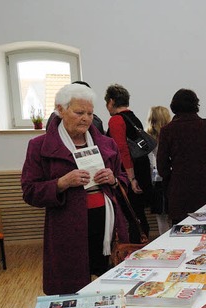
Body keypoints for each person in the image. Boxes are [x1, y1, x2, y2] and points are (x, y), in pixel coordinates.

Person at [21, 83, 128, 295]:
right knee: (72, 288)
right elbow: (30, 191)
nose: (86, 118)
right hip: (68, 230)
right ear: (60, 110)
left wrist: (113, 179)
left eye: (90, 113)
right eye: (79, 112)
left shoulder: (107, 144)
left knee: (112, 287)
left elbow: (123, 179)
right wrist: (61, 183)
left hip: (107, 226)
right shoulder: (39, 146)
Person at [157, 89, 206, 224]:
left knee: (182, 233)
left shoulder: (167, 130)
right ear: (196, 105)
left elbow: (162, 167)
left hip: (180, 190)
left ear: (174, 106)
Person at [104, 84, 153, 243]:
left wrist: (131, 179)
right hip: (142, 167)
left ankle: (136, 250)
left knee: (133, 216)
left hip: (130, 172)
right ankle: (142, 246)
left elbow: (122, 150)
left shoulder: (116, 120)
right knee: (138, 213)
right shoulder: (133, 117)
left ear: (111, 101)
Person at [146, 106, 172, 235]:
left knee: (161, 218)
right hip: (172, 178)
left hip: (157, 181)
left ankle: (165, 244)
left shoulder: (148, 137)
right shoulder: (172, 135)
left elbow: (151, 162)